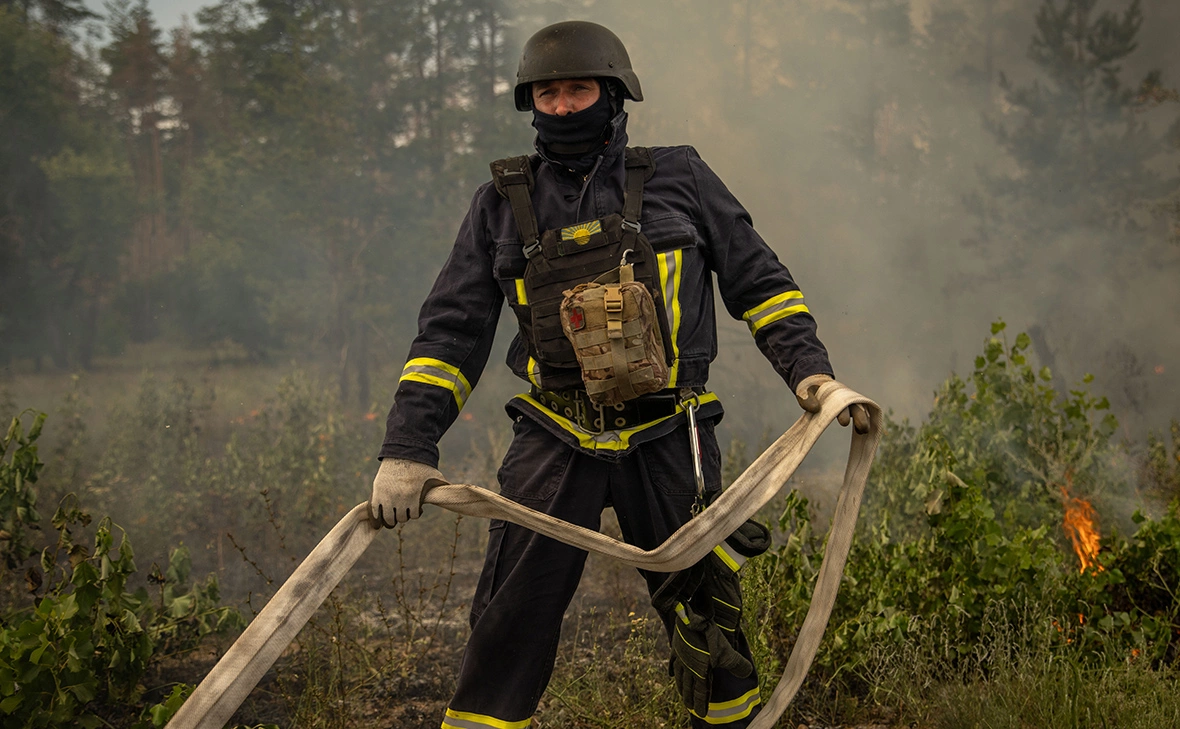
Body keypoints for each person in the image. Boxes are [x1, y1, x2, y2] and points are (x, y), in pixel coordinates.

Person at [370, 20, 868, 729]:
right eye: (549, 92)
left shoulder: (681, 178)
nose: (564, 106)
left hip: (672, 433)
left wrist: (811, 374)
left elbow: (760, 283)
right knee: (508, 622)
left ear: (615, 94)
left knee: (711, 623)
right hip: (556, 435)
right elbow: (449, 336)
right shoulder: (498, 206)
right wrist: (407, 449)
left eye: (579, 89)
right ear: (529, 102)